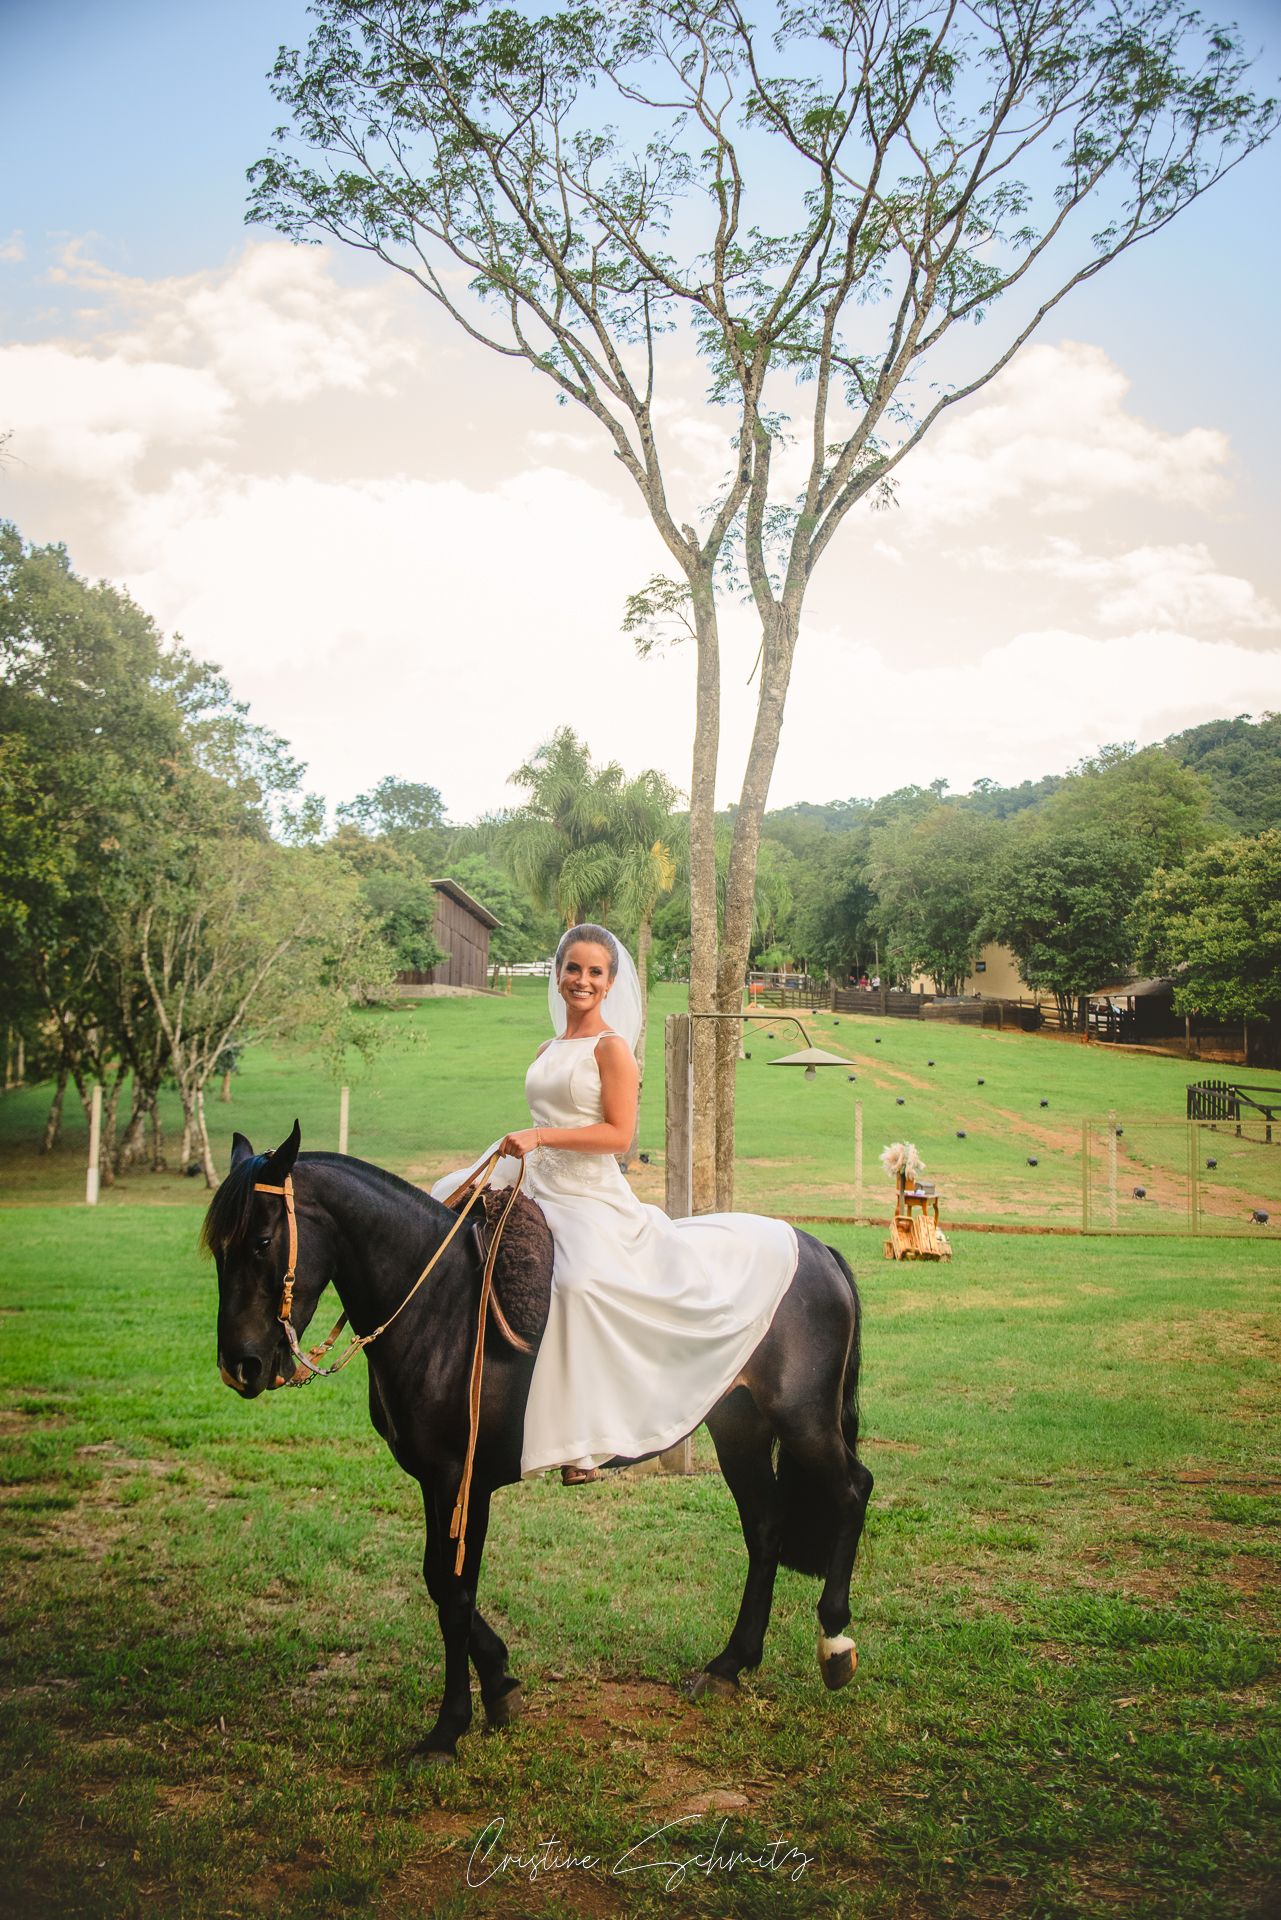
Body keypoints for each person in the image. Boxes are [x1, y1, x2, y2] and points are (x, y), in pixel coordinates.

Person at [431, 924, 799, 1486]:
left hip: (585, 1190)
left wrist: (543, 1138)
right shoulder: (547, 1048)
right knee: (443, 1206)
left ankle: (585, 1443)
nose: (582, 980)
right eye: (573, 969)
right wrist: (528, 1147)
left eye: (594, 972)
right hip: (532, 1174)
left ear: (610, 982)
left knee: (576, 1281)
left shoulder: (612, 1050)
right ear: (557, 976)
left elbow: (619, 1136)